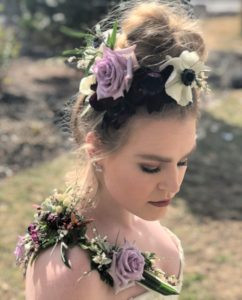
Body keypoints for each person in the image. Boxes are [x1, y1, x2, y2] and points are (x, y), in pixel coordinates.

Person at [15, 0, 209, 299]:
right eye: (151, 167)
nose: (174, 184)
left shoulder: (152, 229)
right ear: (95, 149)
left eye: (183, 161)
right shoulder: (68, 271)